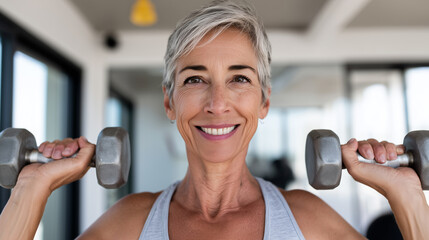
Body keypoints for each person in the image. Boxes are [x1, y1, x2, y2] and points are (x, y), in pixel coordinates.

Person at [1, 1, 428, 239]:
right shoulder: (130, 224)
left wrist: (408, 196)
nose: (218, 103)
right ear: (170, 103)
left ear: (264, 101)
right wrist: (30, 191)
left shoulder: (308, 221)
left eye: (239, 78)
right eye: (195, 80)